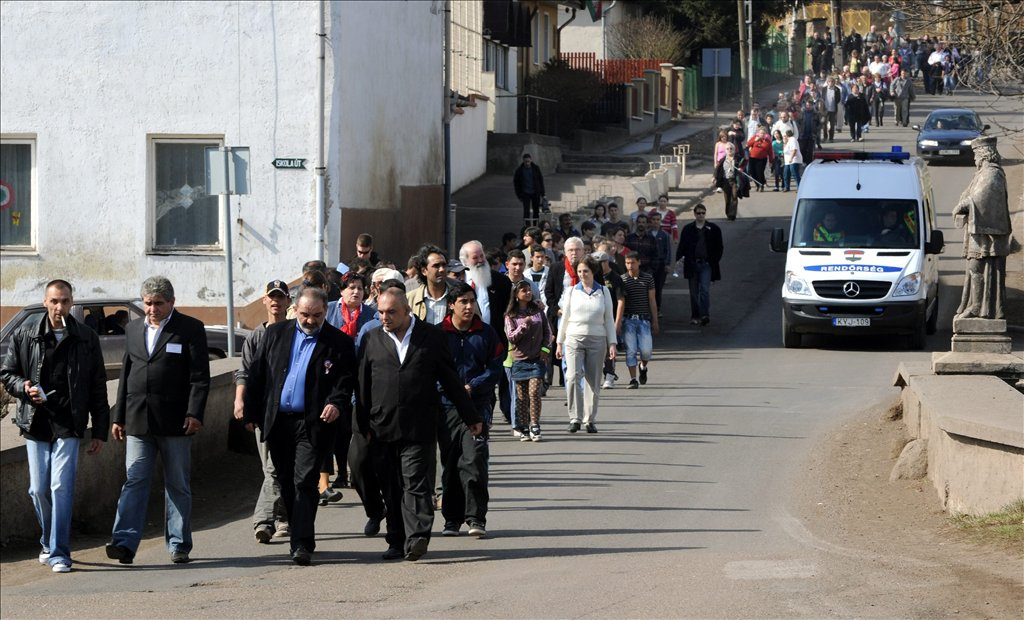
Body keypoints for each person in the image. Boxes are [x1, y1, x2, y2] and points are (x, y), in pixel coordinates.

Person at [356, 288, 482, 561]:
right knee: (391, 486)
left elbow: (450, 379)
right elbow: (363, 384)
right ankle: (396, 540)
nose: (384, 317)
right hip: (382, 425)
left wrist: (470, 416)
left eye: (391, 312)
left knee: (415, 482)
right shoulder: (372, 339)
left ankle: (417, 537)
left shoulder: (431, 337)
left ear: (407, 311)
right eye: (380, 312)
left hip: (419, 424)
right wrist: (362, 424)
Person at [241, 286, 356, 566]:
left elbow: (346, 380)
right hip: (279, 421)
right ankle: (297, 530)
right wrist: (250, 414)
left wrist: (336, 402)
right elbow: (257, 375)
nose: (310, 320)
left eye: (316, 315)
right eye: (305, 314)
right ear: (295, 309)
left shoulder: (338, 342)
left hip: (313, 423)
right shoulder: (275, 334)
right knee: (285, 480)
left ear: (324, 313)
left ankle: (302, 542)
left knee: (305, 480)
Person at [1, 279, 109, 574]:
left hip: (70, 422)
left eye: (65, 301)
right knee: (38, 489)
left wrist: (99, 430)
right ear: (45, 302)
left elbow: (98, 385)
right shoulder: (26, 335)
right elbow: (7, 372)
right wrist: (25, 387)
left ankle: (60, 552)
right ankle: (48, 542)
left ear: (72, 302)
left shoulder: (85, 337)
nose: (59, 307)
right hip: (36, 421)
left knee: (60, 486)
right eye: (54, 301)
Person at [106, 276, 210, 566]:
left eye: (158, 304)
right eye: (148, 303)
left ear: (172, 302)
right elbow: (126, 374)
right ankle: (124, 543)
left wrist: (194, 412)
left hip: (176, 421)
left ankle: (178, 544)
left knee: (177, 482)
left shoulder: (189, 328)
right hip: (138, 420)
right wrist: (119, 416)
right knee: (135, 479)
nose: (152, 309)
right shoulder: (133, 329)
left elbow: (200, 377)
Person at [438, 282, 502, 537]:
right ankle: (452, 519)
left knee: (475, 459)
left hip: (477, 406)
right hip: (446, 407)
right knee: (451, 463)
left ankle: (476, 518)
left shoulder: (487, 334)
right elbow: (430, 369)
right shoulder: (438, 334)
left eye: (471, 301)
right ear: (451, 305)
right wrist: (452, 388)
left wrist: (471, 386)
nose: (468, 306)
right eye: (462, 301)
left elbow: (495, 368)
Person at [233, 280, 290, 544]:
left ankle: (264, 520)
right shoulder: (256, 336)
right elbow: (244, 371)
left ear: (288, 302)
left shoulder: (295, 332)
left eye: (281, 297)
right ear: (265, 301)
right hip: (262, 411)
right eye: (272, 297)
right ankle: (282, 517)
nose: (276, 301)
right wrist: (241, 402)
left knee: (276, 467)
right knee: (271, 467)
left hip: (288, 410)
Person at [952, 136, 1011, 321]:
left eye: (976, 155)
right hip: (979, 231)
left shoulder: (992, 174)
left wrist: (963, 205)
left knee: (975, 267)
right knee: (973, 268)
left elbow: (982, 199)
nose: (974, 159)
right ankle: (975, 305)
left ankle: (977, 307)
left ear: (984, 155)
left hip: (987, 233)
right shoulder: (981, 173)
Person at [556, 256, 617, 434]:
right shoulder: (572, 291)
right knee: (573, 376)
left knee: (593, 379)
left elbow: (608, 319)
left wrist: (612, 343)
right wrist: (560, 342)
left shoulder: (603, 291)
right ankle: (575, 417)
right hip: (574, 337)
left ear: (593, 272)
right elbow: (565, 317)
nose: (582, 275)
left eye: (586, 271)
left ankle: (589, 419)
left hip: (597, 339)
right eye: (580, 271)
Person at [504, 280, 553, 442]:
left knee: (534, 392)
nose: (527, 293)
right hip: (519, 360)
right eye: (523, 291)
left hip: (537, 359)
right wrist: (524, 325)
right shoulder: (510, 316)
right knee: (522, 397)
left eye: (529, 290)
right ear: (516, 295)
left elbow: (547, 332)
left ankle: (535, 424)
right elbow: (511, 337)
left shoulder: (538, 311)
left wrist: (545, 349)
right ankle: (523, 426)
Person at [616, 252, 659, 390]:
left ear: (639, 262)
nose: (630, 265)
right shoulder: (622, 279)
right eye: (627, 263)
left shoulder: (648, 279)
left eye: (632, 262)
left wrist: (655, 320)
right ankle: (633, 379)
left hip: (644, 320)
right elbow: (620, 302)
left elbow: (652, 300)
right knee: (631, 350)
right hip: (628, 320)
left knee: (646, 351)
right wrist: (618, 323)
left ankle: (643, 366)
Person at [676, 204, 724, 326]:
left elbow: (719, 247)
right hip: (692, 264)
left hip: (706, 264)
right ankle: (695, 315)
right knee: (693, 292)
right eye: (698, 213)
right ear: (695, 214)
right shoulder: (688, 229)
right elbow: (682, 246)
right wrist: (679, 261)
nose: (701, 215)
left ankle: (704, 314)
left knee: (704, 290)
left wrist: (713, 261)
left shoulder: (713, 229)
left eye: (703, 213)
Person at [407, 245, 453, 325]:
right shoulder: (410, 299)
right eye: (436, 266)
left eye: (444, 265)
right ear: (424, 271)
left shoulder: (458, 296)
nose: (442, 269)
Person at [648, 211, 672, 314]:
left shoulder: (665, 235)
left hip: (661, 263)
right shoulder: (647, 233)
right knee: (648, 286)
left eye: (658, 220)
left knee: (658, 287)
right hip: (649, 263)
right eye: (654, 220)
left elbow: (668, 250)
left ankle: (657, 308)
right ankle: (648, 308)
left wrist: (667, 264)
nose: (655, 222)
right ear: (651, 221)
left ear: (660, 221)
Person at [513, 153, 546, 223]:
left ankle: (535, 225)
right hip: (525, 193)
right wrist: (519, 195)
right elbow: (516, 184)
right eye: (525, 161)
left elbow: (540, 181)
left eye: (528, 161)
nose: (527, 163)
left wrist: (543, 194)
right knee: (526, 211)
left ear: (531, 160)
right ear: (523, 161)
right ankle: (527, 227)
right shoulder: (519, 171)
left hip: (535, 193)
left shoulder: (536, 168)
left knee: (536, 210)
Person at [715, 143, 741, 220]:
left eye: (731, 148)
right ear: (725, 150)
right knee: (727, 199)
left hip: (734, 181)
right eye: (727, 149)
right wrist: (714, 177)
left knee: (734, 197)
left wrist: (741, 169)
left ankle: (732, 215)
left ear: (734, 150)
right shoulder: (723, 160)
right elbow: (718, 169)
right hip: (725, 181)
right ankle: (728, 213)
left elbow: (744, 164)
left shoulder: (737, 159)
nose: (729, 150)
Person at [746, 126, 773, 192]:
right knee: (752, 172)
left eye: (763, 133)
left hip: (762, 159)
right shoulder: (755, 138)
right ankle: (757, 185)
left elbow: (770, 151)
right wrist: (755, 141)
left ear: (765, 134)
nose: (762, 135)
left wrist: (771, 161)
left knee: (759, 172)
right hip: (752, 157)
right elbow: (748, 144)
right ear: (758, 133)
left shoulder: (767, 141)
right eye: (761, 133)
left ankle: (761, 185)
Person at [821, 76, 842, 142]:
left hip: (833, 110)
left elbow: (838, 99)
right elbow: (822, 98)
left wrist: (834, 101)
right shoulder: (824, 89)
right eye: (829, 81)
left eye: (832, 82)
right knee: (824, 125)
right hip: (825, 110)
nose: (831, 83)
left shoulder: (837, 89)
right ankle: (825, 137)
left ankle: (831, 138)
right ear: (827, 82)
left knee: (832, 125)